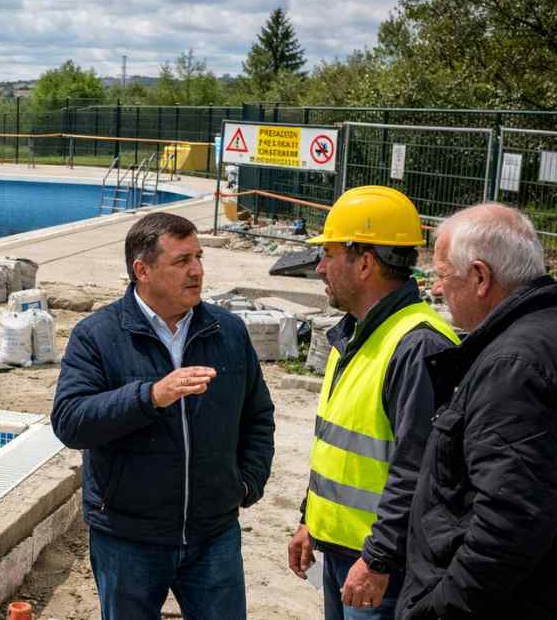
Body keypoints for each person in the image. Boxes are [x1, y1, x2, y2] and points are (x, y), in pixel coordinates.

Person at [51, 211, 275, 620]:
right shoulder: (97, 335)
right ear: (143, 271)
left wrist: (246, 484)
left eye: (199, 257)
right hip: (128, 536)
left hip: (213, 534)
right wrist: (151, 396)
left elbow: (258, 415)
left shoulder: (228, 331)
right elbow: (70, 420)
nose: (197, 271)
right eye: (182, 260)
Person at [286, 186, 458, 620]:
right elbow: (337, 446)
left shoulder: (417, 345)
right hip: (343, 552)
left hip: (382, 569)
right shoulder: (356, 333)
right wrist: (310, 519)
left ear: (364, 263)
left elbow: (417, 469)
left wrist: (378, 560)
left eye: (328, 254)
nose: (319, 267)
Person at [398, 204, 557, 620]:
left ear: (481, 277)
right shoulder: (540, 336)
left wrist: (435, 610)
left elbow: (508, 525)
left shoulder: (513, 366)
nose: (435, 289)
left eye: (442, 274)